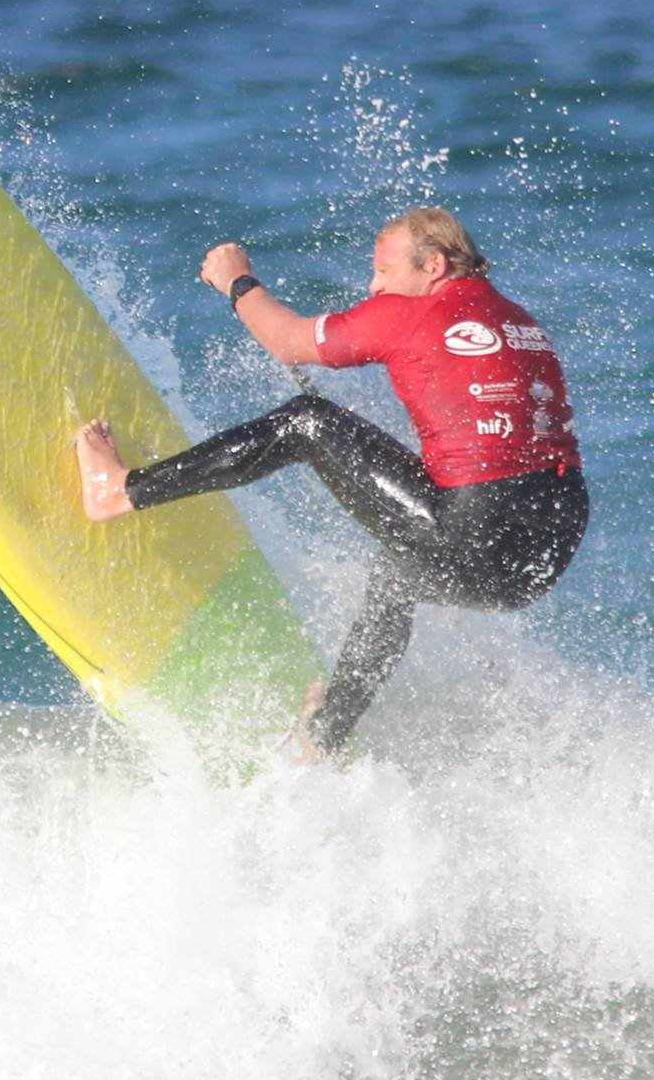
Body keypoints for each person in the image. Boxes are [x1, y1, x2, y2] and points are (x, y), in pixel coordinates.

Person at [74, 207, 588, 755]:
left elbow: (288, 340)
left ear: (434, 266)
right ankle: (325, 733)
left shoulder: (414, 310)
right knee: (398, 574)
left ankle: (120, 491)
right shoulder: (518, 321)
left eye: (384, 271)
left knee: (308, 422)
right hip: (546, 550)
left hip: (475, 530)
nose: (375, 285)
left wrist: (236, 281)